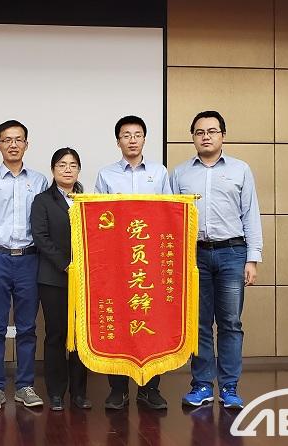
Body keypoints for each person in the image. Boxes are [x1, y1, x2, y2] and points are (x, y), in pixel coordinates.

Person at [171, 110, 262, 409]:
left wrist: (253, 259)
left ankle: (229, 388)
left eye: (212, 131)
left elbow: (250, 215)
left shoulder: (240, 170)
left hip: (232, 253)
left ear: (223, 135)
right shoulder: (180, 173)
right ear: (193, 137)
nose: (206, 136)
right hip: (194, 255)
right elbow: (172, 221)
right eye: (199, 132)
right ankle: (201, 386)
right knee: (198, 324)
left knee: (230, 323)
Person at [0, 120, 48, 411]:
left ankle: (25, 386)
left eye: (18, 140)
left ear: (27, 144)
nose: (13, 145)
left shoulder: (39, 181)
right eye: (7, 140)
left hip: (29, 259)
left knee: (27, 327)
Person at [94, 115, 171, 410]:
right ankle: (118, 389)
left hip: (149, 262)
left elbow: (169, 214)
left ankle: (150, 388)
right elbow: (98, 219)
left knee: (151, 319)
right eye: (126, 135)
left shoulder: (160, 173)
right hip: (117, 262)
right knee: (119, 320)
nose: (132, 140)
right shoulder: (106, 175)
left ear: (144, 139)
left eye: (137, 134)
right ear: (118, 142)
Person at [30, 148, 91, 411]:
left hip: (84, 280)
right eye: (62, 164)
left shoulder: (88, 201)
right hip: (53, 278)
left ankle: (79, 393)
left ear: (79, 170)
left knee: (80, 336)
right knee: (56, 335)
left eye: (73, 165)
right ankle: (55, 392)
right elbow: (40, 237)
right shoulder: (42, 200)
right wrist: (66, 265)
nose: (68, 169)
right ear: (53, 169)